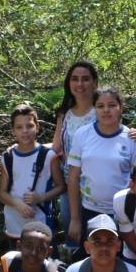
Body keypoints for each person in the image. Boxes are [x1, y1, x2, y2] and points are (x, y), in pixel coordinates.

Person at [66, 86, 136, 251]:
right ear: (94, 109)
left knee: (120, 259)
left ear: (120, 108)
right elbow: (73, 177)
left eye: (111, 105)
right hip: (89, 210)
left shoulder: (132, 138)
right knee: (93, 260)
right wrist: (75, 219)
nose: (106, 110)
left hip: (122, 212)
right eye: (100, 106)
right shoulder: (83, 134)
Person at [0, 104, 65, 245]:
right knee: (17, 263)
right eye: (19, 127)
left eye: (29, 126)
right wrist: (17, 203)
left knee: (45, 264)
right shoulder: (7, 157)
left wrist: (41, 197)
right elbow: (1, 194)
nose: (25, 131)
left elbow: (61, 186)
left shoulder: (49, 156)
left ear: (37, 127)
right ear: (13, 130)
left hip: (40, 224)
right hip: (14, 225)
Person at [52, 62, 98, 240]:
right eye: (75, 79)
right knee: (73, 236)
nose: (80, 84)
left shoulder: (101, 110)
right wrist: (25, 148)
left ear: (94, 82)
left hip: (95, 185)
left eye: (85, 79)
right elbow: (56, 146)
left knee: (95, 234)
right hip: (68, 184)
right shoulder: (65, 114)